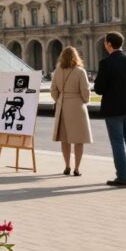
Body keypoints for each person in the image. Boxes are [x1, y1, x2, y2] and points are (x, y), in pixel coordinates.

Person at [93, 31, 126, 187]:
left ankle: (122, 177)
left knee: (117, 142)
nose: (105, 44)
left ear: (109, 44)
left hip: (113, 109)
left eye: (105, 42)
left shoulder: (106, 63)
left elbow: (99, 89)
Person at [50, 46, 93, 176]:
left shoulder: (57, 71)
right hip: (77, 106)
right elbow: (85, 91)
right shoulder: (80, 71)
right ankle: (77, 168)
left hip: (63, 106)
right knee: (79, 139)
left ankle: (67, 166)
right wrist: (85, 101)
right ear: (76, 57)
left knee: (65, 139)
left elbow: (53, 90)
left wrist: (59, 100)